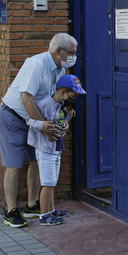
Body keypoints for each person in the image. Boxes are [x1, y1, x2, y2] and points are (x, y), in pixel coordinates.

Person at [0, 33, 78, 228]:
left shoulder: (60, 68)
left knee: (35, 161)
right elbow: (27, 99)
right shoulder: (37, 64)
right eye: (72, 53)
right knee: (14, 165)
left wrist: (62, 119)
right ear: (59, 52)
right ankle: (10, 211)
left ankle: (32, 205)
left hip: (34, 119)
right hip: (15, 117)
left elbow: (57, 97)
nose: (74, 56)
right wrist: (44, 126)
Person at [27, 75, 86, 225]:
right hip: (45, 149)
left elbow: (61, 120)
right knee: (47, 183)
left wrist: (67, 121)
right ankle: (44, 215)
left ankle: (51, 210)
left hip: (56, 148)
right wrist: (43, 126)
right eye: (72, 96)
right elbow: (29, 120)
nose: (73, 100)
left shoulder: (62, 107)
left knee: (52, 182)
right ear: (63, 92)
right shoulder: (45, 104)